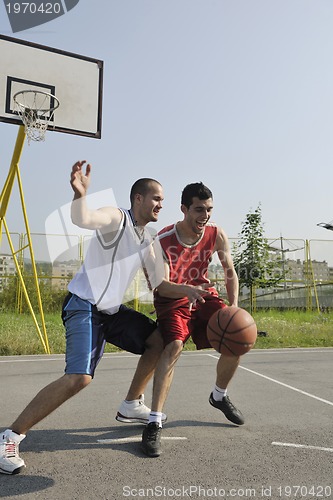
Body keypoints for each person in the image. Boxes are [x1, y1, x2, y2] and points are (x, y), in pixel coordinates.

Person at [0, 160, 166, 475]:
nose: (161, 204)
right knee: (79, 378)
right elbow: (85, 218)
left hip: (112, 313)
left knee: (158, 339)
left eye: (163, 200)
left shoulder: (148, 238)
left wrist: (197, 291)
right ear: (138, 199)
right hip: (84, 305)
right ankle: (10, 436)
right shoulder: (117, 218)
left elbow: (161, 282)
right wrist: (80, 195)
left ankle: (132, 403)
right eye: (156, 198)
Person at [141, 182, 243, 457]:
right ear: (184, 209)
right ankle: (154, 422)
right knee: (173, 346)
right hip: (173, 298)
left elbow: (229, 271)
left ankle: (219, 395)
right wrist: (186, 290)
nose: (205, 215)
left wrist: (233, 306)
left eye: (209, 209)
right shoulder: (162, 239)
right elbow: (161, 285)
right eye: (199, 209)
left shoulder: (216, 234)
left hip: (202, 295)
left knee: (238, 335)